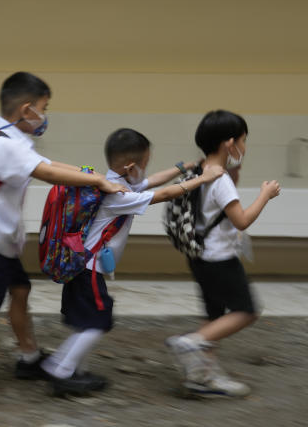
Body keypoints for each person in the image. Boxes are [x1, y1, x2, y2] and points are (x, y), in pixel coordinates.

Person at [0, 72, 128, 401]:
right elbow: (47, 172)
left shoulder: (11, 142)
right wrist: (99, 182)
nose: (44, 116)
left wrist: (87, 173)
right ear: (26, 110)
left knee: (20, 291)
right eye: (43, 108)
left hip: (0, 241)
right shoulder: (5, 146)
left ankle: (28, 357)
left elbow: (47, 162)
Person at [43, 128, 225, 396]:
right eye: (143, 164)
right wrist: (203, 179)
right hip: (89, 269)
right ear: (130, 167)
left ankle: (69, 368)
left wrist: (181, 167)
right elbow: (163, 195)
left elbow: (151, 182)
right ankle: (61, 371)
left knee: (87, 321)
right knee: (98, 322)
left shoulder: (116, 182)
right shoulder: (116, 195)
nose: (145, 170)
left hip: (84, 267)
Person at [166, 110, 281, 398]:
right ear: (230, 144)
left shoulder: (201, 170)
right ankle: (190, 343)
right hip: (220, 259)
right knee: (247, 311)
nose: (244, 147)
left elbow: (211, 210)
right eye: (243, 140)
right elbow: (241, 220)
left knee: (214, 315)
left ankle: (201, 376)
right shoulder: (222, 181)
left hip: (199, 257)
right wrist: (265, 195)